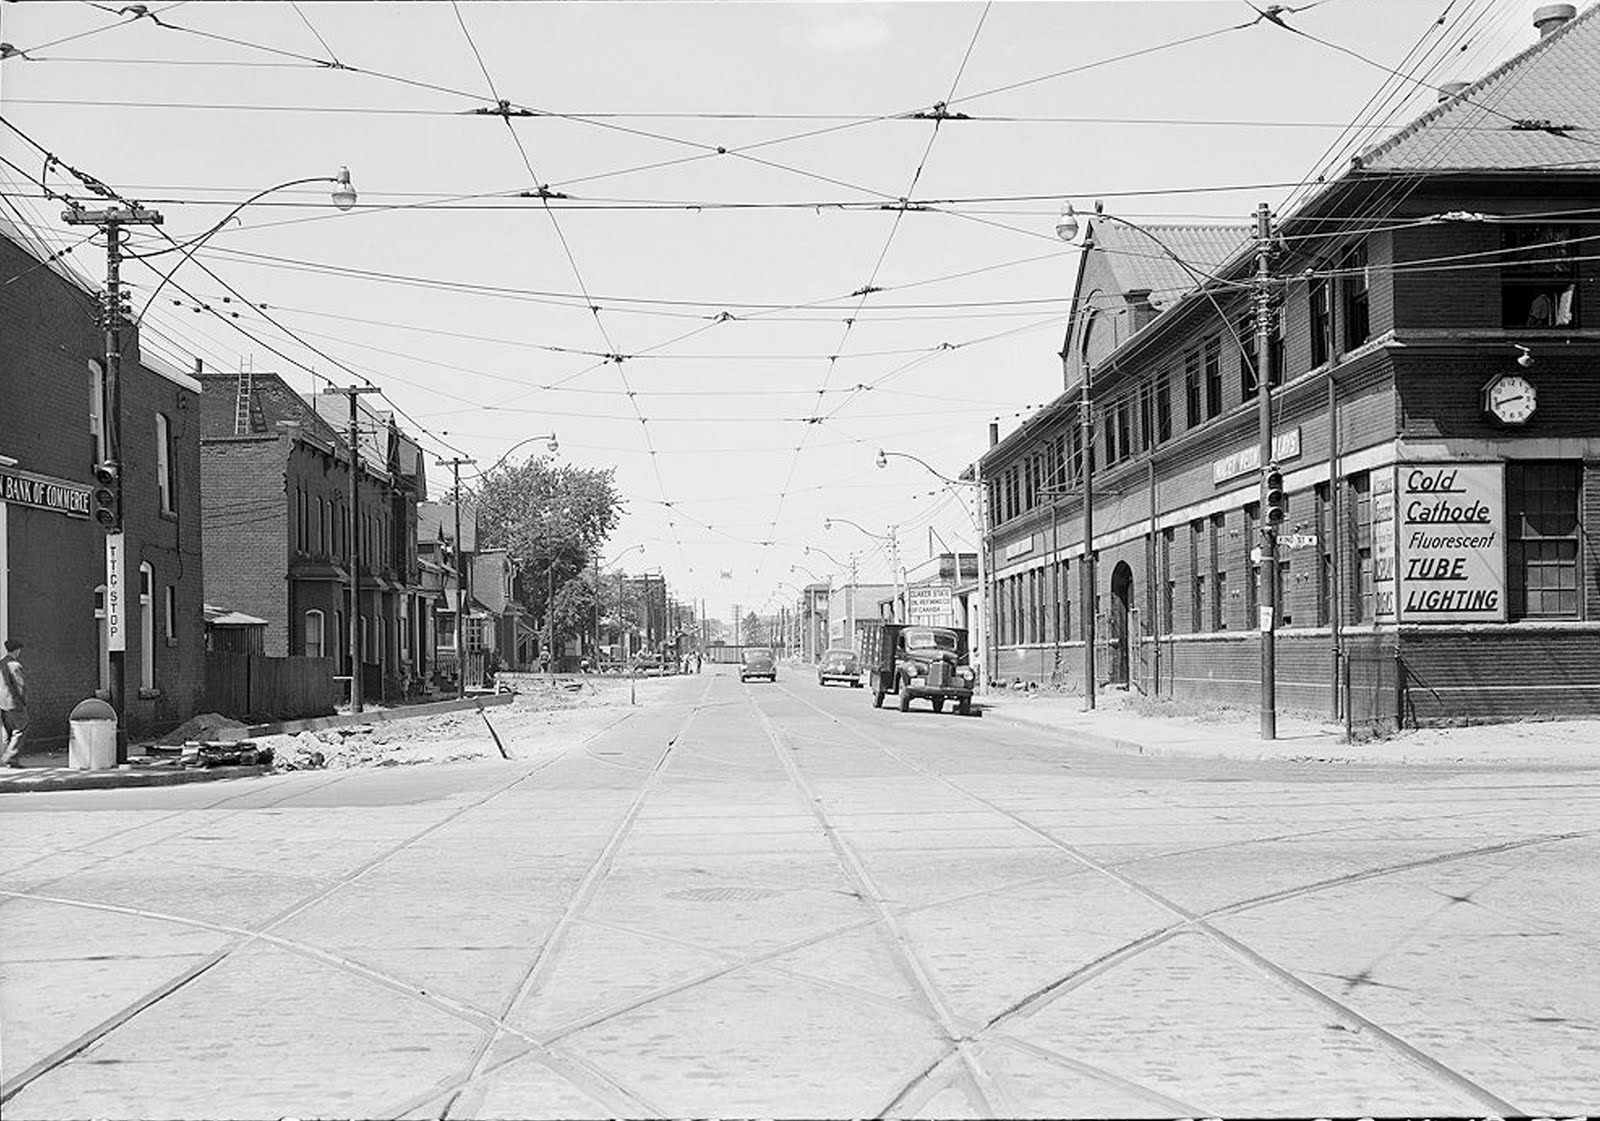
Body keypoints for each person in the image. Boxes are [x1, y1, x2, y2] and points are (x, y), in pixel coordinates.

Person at [0, 638, 27, 768]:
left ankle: (9, 759)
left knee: (8, 731)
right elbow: (20, 686)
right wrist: (23, 702)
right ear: (17, 650)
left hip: (2, 704)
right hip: (14, 703)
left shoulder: (1, 663)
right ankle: (9, 757)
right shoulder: (15, 665)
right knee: (21, 728)